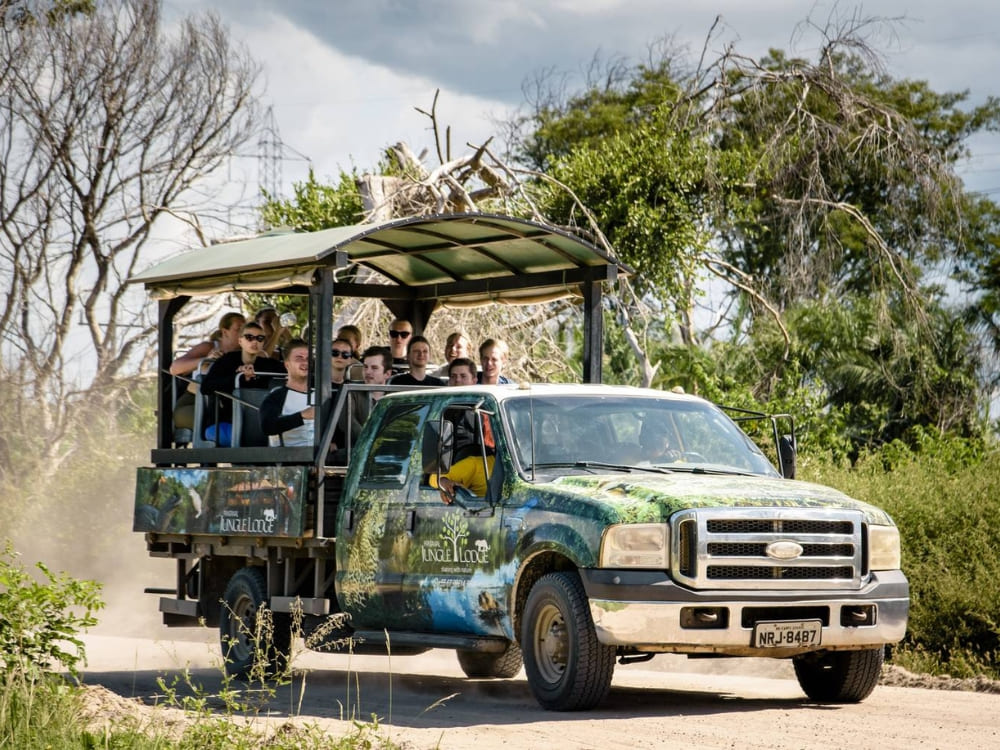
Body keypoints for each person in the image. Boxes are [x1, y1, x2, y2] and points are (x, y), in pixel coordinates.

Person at [200, 322, 284, 445]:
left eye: (260, 338)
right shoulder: (226, 361)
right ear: (240, 341)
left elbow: (289, 374)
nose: (254, 342)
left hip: (260, 422)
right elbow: (206, 387)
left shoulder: (269, 364)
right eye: (249, 337)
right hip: (227, 420)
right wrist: (237, 379)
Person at [169, 312, 245, 430]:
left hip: (224, 405)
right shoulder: (209, 347)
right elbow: (175, 368)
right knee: (214, 423)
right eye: (238, 329)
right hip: (193, 403)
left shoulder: (244, 354)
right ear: (225, 332)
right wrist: (206, 360)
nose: (242, 333)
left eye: (244, 330)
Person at [260, 339, 314, 447]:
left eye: (308, 359)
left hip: (322, 457)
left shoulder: (321, 394)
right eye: (299, 358)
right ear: (287, 364)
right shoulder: (276, 396)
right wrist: (302, 416)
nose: (305, 362)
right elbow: (268, 427)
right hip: (288, 458)